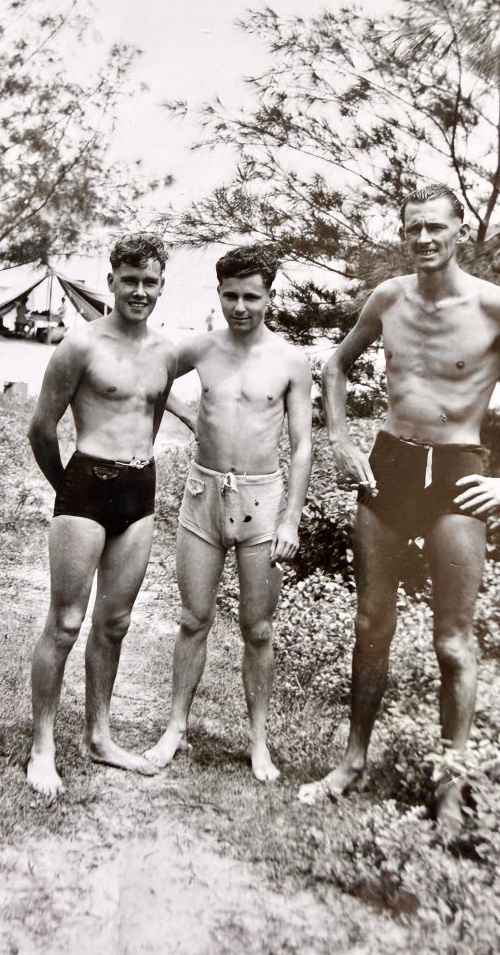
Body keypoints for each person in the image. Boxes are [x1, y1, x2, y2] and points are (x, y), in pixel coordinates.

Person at [298, 184, 500, 831]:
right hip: (389, 469)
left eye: (435, 227)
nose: (424, 239)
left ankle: (447, 788)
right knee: (368, 627)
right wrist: (340, 442)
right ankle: (351, 763)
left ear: (458, 230)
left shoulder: (499, 307)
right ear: (403, 232)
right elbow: (333, 366)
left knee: (452, 644)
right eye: (413, 229)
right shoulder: (389, 298)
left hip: (458, 476)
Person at [146, 246, 313, 782]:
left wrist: (291, 518)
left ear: (269, 296)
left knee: (258, 628)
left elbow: (304, 443)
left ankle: (258, 742)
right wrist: (192, 419)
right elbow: (150, 381)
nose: (240, 306)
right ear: (218, 294)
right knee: (194, 619)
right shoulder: (199, 347)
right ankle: (175, 727)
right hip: (203, 495)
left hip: (263, 501)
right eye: (230, 295)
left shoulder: (290, 360)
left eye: (252, 296)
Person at [26, 233, 177, 798]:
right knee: (65, 623)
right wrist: (68, 488)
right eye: (130, 280)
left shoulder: (166, 351)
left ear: (162, 287)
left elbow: (153, 415)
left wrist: (137, 465)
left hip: (140, 491)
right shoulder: (79, 346)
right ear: (111, 280)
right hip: (86, 485)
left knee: (114, 623)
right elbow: (41, 428)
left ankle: (99, 736)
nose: (140, 291)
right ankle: (42, 746)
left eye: (151, 282)